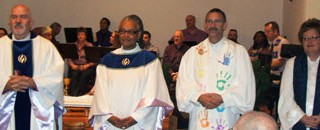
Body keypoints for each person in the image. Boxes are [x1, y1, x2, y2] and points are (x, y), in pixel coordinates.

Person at [89, 14, 173, 130]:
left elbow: (153, 93)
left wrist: (136, 117)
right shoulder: (107, 61)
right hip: (111, 122)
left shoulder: (149, 60)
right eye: (122, 31)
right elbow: (100, 93)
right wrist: (108, 116)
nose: (125, 35)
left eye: (130, 32)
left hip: (139, 123)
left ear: (138, 34)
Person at [176, 8, 255, 129]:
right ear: (205, 25)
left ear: (225, 25)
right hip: (199, 117)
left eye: (217, 21)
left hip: (227, 116)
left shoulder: (239, 52)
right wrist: (198, 97)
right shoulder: (192, 53)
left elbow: (246, 87)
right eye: (209, 21)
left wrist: (223, 98)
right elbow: (184, 85)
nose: (213, 25)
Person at [0, 4, 64, 130]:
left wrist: (33, 82)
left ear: (31, 22)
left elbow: (56, 76)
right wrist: (5, 85)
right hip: (6, 110)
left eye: (23, 17)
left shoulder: (46, 47)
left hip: (37, 112)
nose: (18, 21)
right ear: (9, 22)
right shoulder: (1, 45)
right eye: (14, 17)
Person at [278, 18, 320, 130]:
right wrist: (301, 117)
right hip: (298, 122)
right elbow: (286, 96)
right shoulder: (292, 64)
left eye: (313, 38)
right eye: (305, 38)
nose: (309, 41)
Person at [162, 30, 190, 129]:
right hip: (171, 78)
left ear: (183, 38)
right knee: (172, 104)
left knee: (181, 104)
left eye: (178, 36)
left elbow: (189, 65)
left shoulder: (188, 50)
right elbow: (165, 64)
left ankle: (182, 124)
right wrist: (172, 74)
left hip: (183, 78)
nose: (176, 38)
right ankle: (172, 124)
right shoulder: (168, 49)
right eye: (174, 36)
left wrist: (180, 74)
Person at [248, 31, 273, 114]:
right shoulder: (251, 49)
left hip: (262, 77)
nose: (258, 38)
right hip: (252, 75)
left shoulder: (268, 49)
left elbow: (269, 63)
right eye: (256, 37)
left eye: (260, 36)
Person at [67, 27, 96, 96]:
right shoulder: (73, 45)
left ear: (85, 36)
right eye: (79, 34)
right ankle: (73, 94)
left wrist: (86, 66)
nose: (80, 36)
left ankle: (79, 94)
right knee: (74, 75)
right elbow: (69, 58)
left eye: (82, 34)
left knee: (84, 76)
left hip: (86, 66)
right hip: (75, 66)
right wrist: (72, 65)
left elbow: (94, 60)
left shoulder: (90, 46)